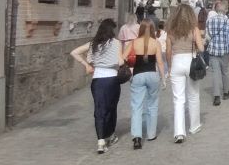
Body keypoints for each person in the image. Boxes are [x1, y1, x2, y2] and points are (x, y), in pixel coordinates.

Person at [70, 19, 125, 154]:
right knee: (111, 108)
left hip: (97, 80)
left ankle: (100, 141)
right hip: (112, 79)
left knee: (99, 109)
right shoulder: (116, 43)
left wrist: (87, 65)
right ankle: (110, 135)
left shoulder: (93, 44)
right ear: (112, 30)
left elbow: (74, 52)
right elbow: (120, 61)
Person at [165, 3, 205, 143]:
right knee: (193, 95)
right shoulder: (194, 29)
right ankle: (194, 126)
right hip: (190, 61)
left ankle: (179, 132)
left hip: (176, 62)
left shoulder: (171, 31)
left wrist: (169, 68)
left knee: (178, 99)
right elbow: (201, 47)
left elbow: (168, 52)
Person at [124, 20, 165, 149]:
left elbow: (123, 57)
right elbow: (160, 62)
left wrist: (129, 66)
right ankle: (151, 134)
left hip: (138, 75)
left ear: (140, 29)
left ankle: (137, 137)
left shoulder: (133, 42)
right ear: (153, 29)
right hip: (152, 75)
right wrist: (163, 78)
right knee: (152, 104)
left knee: (137, 106)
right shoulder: (156, 43)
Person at [205, 1, 229, 106]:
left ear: (217, 10)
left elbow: (207, 36)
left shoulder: (210, 21)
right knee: (225, 72)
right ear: (225, 10)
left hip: (213, 51)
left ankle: (216, 97)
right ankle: (226, 93)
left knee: (215, 74)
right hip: (224, 51)